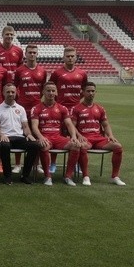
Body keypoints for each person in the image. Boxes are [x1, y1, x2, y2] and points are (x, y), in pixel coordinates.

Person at [71, 82, 126, 186]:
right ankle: (86, 176)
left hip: (99, 139)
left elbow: (105, 125)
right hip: (86, 138)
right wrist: (79, 135)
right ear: (82, 92)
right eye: (88, 91)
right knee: (82, 147)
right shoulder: (76, 108)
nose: (91, 93)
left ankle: (114, 177)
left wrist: (110, 136)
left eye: (93, 91)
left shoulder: (100, 108)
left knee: (118, 146)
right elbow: (72, 126)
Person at [30, 82, 82, 187]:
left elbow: (69, 124)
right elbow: (34, 126)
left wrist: (73, 137)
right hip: (45, 136)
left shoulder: (62, 108)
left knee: (76, 145)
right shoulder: (36, 108)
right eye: (48, 90)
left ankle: (68, 176)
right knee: (44, 146)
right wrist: (40, 137)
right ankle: (47, 176)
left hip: (58, 138)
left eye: (53, 90)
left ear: (56, 92)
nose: (51, 93)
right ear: (43, 92)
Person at [49, 46, 88, 174]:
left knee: (76, 137)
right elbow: (51, 87)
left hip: (76, 110)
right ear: (63, 58)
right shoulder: (57, 73)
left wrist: (76, 100)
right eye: (68, 56)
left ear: (76, 57)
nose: (70, 58)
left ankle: (76, 164)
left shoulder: (82, 73)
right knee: (57, 135)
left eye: (72, 56)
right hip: (59, 109)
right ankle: (53, 163)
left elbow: (84, 90)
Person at [0, 83, 40, 185]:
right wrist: (1, 135)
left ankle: (25, 175)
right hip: (6, 137)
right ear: (3, 93)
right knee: (4, 146)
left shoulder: (21, 109)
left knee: (34, 145)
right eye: (8, 92)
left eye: (13, 92)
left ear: (16, 93)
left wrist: (29, 135)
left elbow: (25, 126)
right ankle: (7, 176)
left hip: (19, 137)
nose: (10, 94)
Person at [12, 43, 47, 175]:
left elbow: (43, 89)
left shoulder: (42, 71)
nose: (32, 54)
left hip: (37, 108)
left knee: (36, 135)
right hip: (22, 108)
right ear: (25, 54)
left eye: (34, 52)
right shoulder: (19, 70)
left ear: (37, 54)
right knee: (20, 135)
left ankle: (36, 164)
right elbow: (15, 88)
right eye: (30, 52)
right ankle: (17, 164)